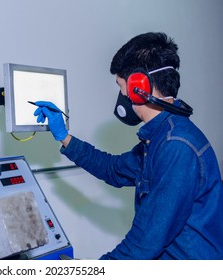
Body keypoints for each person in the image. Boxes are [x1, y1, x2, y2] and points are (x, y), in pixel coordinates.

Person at [33, 32, 223, 260]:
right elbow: (112, 169)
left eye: (120, 86)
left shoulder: (176, 146)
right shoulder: (160, 137)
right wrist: (64, 136)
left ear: (138, 86)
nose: (121, 95)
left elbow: (145, 243)